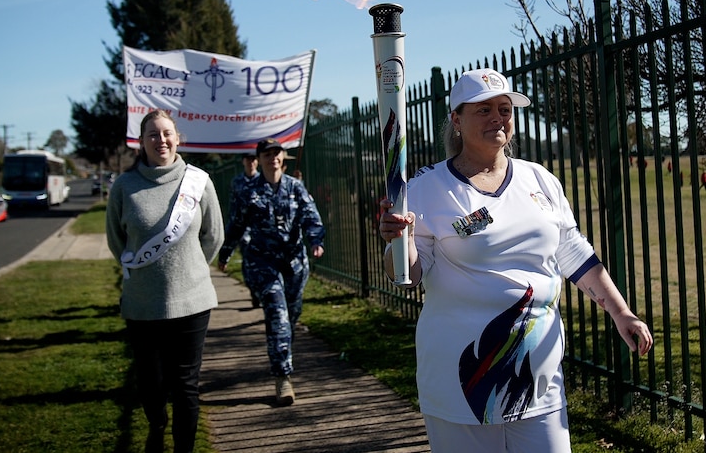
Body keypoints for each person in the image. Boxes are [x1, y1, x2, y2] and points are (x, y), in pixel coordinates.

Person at [378, 69, 653, 453]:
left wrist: (621, 313)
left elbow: (573, 252)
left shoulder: (539, 180)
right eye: (484, 109)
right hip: (462, 382)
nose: (497, 117)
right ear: (456, 119)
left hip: (537, 375)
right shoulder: (426, 189)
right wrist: (398, 239)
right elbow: (407, 275)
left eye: (505, 108)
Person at [106, 109, 224, 453]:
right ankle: (156, 425)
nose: (162, 140)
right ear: (141, 143)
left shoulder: (198, 181)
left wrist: (187, 271)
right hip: (143, 303)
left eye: (167, 133)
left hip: (192, 302)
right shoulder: (124, 187)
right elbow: (117, 241)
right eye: (153, 135)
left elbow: (213, 236)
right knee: (151, 383)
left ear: (178, 138)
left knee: (186, 385)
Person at [218, 138, 325, 406]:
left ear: (283, 157)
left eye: (276, 153)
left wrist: (315, 241)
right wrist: (225, 252)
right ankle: (282, 377)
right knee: (277, 313)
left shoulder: (295, 187)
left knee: (291, 315)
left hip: (294, 264)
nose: (272, 158)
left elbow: (311, 217)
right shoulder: (249, 191)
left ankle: (282, 355)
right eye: (267, 154)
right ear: (260, 159)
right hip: (263, 263)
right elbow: (236, 224)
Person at [225, 153, 261, 308]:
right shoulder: (237, 182)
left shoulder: (263, 180)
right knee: (248, 261)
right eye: (248, 159)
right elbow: (233, 207)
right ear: (243, 161)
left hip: (261, 228)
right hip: (243, 228)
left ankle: (262, 290)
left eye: (253, 159)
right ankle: (253, 290)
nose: (251, 162)